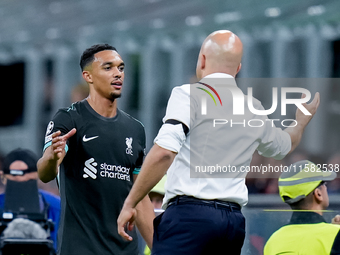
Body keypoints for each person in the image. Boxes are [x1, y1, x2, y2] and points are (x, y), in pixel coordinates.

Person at [117, 30, 320, 255]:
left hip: (190, 218)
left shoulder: (188, 95)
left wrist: (130, 203)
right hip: (232, 224)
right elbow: (284, 147)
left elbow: (165, 152)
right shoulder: (253, 107)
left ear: (202, 60)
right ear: (238, 68)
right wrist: (300, 121)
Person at [37, 44, 154, 255]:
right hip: (81, 248)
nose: (118, 73)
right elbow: (45, 173)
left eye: (121, 68)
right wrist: (53, 158)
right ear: (88, 76)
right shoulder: (69, 118)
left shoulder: (135, 129)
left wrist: (160, 247)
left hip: (125, 249)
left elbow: (140, 197)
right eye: (108, 68)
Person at [264, 160, 340, 255]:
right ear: (318, 194)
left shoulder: (273, 240)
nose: (326, 188)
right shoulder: (335, 235)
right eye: (324, 184)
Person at [0, 148, 60, 250]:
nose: (22, 190)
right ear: (3, 177)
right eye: (15, 183)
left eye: (29, 182)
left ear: (38, 177)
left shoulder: (56, 207)